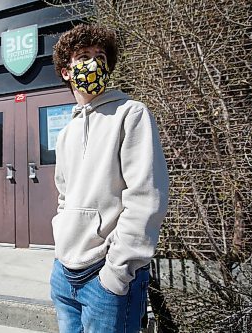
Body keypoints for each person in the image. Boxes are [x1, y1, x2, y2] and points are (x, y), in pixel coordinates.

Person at [49, 23, 169, 333]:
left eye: (100, 55)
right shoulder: (65, 134)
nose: (94, 62)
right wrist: (60, 246)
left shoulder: (132, 114)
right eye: (84, 55)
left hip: (107, 278)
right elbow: (64, 198)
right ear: (66, 72)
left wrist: (116, 274)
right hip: (64, 274)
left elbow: (146, 200)